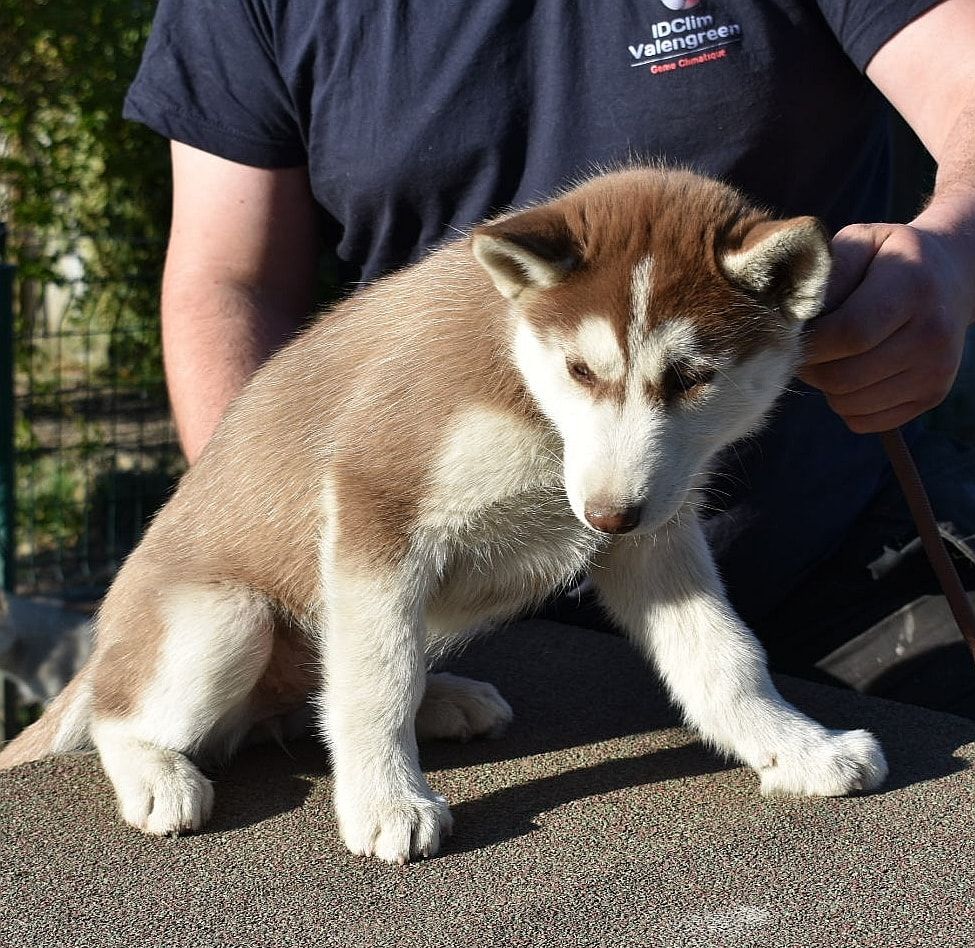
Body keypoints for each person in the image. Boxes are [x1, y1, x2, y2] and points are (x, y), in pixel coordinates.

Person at [123, 0, 975, 714]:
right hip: (462, 616)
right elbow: (228, 280)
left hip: (837, 562)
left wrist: (949, 252)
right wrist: (290, 587)